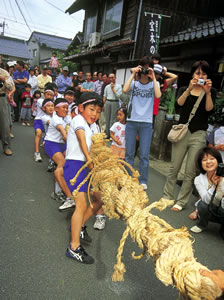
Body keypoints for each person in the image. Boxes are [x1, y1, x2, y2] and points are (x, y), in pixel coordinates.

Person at [162, 60, 216, 211]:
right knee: (174, 167)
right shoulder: (185, 88)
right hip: (183, 132)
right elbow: (179, 105)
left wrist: (207, 92)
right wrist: (189, 89)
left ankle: (181, 201)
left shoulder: (211, 91)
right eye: (198, 73)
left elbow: (209, 110)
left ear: (207, 76)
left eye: (203, 73)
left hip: (198, 134)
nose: (200, 76)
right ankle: (167, 196)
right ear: (193, 74)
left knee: (190, 170)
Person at [60, 92, 103, 263]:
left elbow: (99, 147)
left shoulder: (95, 126)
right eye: (91, 109)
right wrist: (90, 161)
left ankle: (77, 227)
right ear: (80, 108)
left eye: (98, 111)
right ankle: (74, 247)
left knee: (100, 199)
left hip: (88, 166)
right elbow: (81, 140)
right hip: (76, 165)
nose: (95, 114)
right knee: (82, 204)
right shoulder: (78, 119)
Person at [123, 56, 161, 190]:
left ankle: (143, 180)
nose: (145, 70)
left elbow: (158, 95)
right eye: (143, 67)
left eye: (147, 67)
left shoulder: (153, 84)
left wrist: (154, 77)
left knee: (144, 154)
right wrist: (133, 73)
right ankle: (128, 178)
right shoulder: (135, 83)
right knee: (129, 153)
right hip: (132, 121)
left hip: (146, 122)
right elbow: (124, 90)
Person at [189, 147, 224, 237]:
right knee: (202, 204)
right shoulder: (198, 179)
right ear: (201, 164)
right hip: (209, 209)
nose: (208, 162)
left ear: (218, 161)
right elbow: (205, 200)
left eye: (212, 158)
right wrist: (214, 186)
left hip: (222, 209)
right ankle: (202, 224)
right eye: (204, 160)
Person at [33, 87, 55, 162]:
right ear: (44, 94)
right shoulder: (40, 100)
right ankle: (37, 153)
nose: (49, 96)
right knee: (38, 133)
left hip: (49, 121)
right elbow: (44, 108)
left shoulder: (52, 104)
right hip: (39, 120)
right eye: (48, 94)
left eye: (51, 95)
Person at [0, 65, 14, 155]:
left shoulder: (4, 72)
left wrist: (3, 79)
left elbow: (10, 87)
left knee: (4, 124)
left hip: (1, 98)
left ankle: (6, 146)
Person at [104, 73, 122, 138]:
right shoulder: (106, 87)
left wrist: (113, 89)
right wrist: (104, 104)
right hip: (108, 102)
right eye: (110, 78)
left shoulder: (119, 86)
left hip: (115, 102)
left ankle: (112, 135)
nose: (111, 79)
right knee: (107, 119)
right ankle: (107, 133)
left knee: (113, 119)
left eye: (112, 77)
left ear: (115, 78)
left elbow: (118, 96)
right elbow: (105, 96)